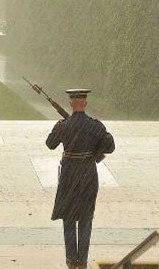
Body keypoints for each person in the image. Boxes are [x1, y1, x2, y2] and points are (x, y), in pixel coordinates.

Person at [46, 89, 115, 269]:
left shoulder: (63, 125)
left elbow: (50, 144)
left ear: (70, 104)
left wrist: (60, 127)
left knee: (68, 218)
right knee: (85, 218)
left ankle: (71, 261)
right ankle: (82, 261)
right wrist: (95, 149)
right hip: (87, 174)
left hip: (69, 175)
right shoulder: (95, 126)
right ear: (85, 103)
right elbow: (110, 146)